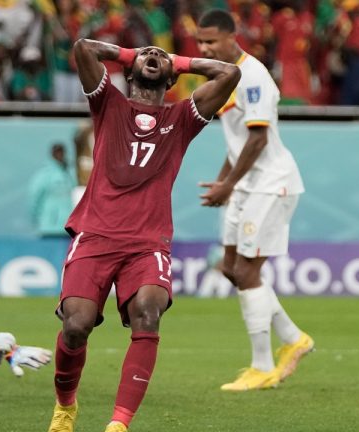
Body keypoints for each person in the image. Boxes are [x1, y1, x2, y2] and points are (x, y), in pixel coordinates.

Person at [47, 36, 241, 432]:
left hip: (148, 243)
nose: (153, 56)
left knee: (148, 315)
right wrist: (133, 55)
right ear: (130, 69)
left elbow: (229, 72)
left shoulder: (183, 118)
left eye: (160, 56)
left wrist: (176, 60)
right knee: (76, 325)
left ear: (171, 77)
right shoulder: (107, 103)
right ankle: (65, 407)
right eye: (145, 54)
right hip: (96, 235)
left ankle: (119, 424)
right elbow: (84, 47)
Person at [195, 9, 314, 392]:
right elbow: (237, 141)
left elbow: (258, 138)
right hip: (246, 184)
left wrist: (228, 185)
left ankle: (262, 366)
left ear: (233, 37)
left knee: (247, 271)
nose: (204, 48)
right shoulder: (224, 77)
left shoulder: (254, 77)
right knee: (231, 269)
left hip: (271, 184)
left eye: (211, 41)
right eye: (200, 42)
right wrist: (223, 180)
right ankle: (294, 338)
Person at [28, 143, 76, 237]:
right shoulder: (44, 175)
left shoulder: (70, 173)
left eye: (62, 151)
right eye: (57, 151)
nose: (60, 154)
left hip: (69, 229)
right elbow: (34, 198)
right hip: (49, 228)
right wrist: (38, 219)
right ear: (52, 153)